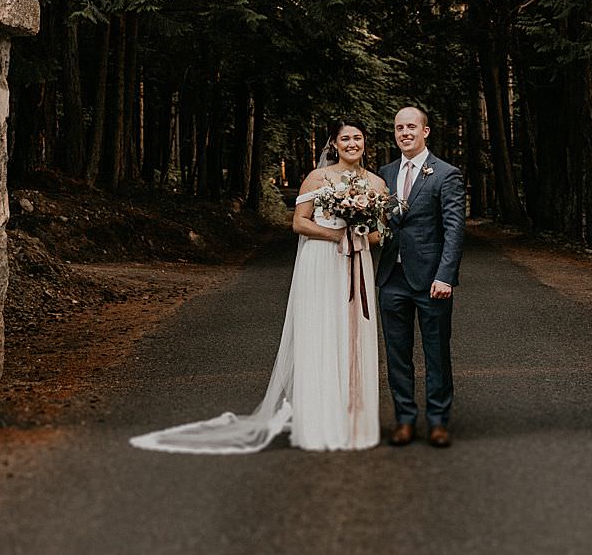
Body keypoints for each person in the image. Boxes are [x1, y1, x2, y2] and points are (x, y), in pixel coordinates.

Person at [129, 120, 384, 453]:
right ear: (333, 144)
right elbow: (299, 223)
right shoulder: (318, 178)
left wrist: (361, 234)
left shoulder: (377, 183)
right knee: (322, 334)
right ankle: (320, 424)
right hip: (322, 262)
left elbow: (381, 232)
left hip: (356, 261)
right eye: (345, 138)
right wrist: (337, 234)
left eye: (358, 138)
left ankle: (355, 424)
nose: (352, 143)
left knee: (353, 338)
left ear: (365, 143)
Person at [376, 105, 465, 447]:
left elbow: (454, 229)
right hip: (391, 277)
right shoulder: (384, 173)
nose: (405, 133)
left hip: (431, 280)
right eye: (399, 128)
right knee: (397, 354)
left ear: (425, 131)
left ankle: (439, 421)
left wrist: (445, 275)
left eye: (411, 127)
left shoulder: (445, 174)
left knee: (436, 353)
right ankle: (405, 420)